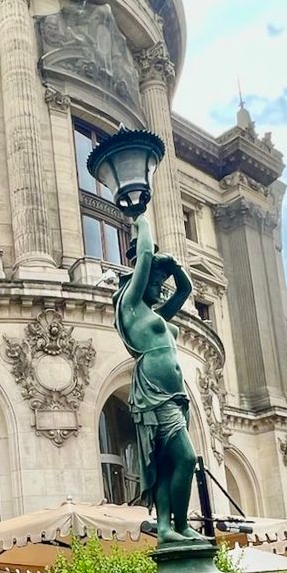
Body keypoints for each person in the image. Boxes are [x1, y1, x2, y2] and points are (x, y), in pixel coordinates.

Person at [113, 212, 205, 545]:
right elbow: (146, 258)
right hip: (154, 393)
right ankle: (179, 524)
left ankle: (169, 527)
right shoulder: (132, 306)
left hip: (175, 396)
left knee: (167, 465)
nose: (159, 289)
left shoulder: (158, 316)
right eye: (155, 282)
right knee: (186, 458)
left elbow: (186, 289)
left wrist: (175, 266)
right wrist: (140, 219)